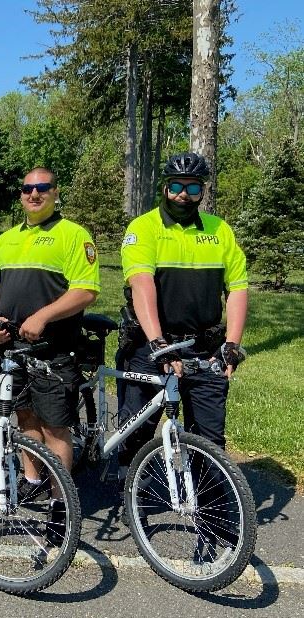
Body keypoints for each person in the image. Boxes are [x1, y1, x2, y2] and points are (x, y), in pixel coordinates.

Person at [117, 151, 248, 519]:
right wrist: (158, 342)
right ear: (164, 187)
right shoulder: (143, 228)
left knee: (209, 438)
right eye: (176, 186)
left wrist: (232, 344)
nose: (183, 195)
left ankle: (211, 516)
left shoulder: (219, 230)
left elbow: (237, 287)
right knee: (137, 426)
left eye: (192, 187)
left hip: (205, 349)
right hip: (150, 342)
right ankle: (133, 490)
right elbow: (142, 284)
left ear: (203, 190)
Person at [0, 167, 100, 523]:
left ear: (55, 192)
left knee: (55, 427)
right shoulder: (5, 240)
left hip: (55, 351)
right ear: (21, 195)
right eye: (27, 189)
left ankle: (59, 503)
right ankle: (31, 477)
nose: (34, 194)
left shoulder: (73, 235)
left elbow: (86, 290)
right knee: (25, 415)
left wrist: (44, 316)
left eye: (42, 188)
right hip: (12, 349)